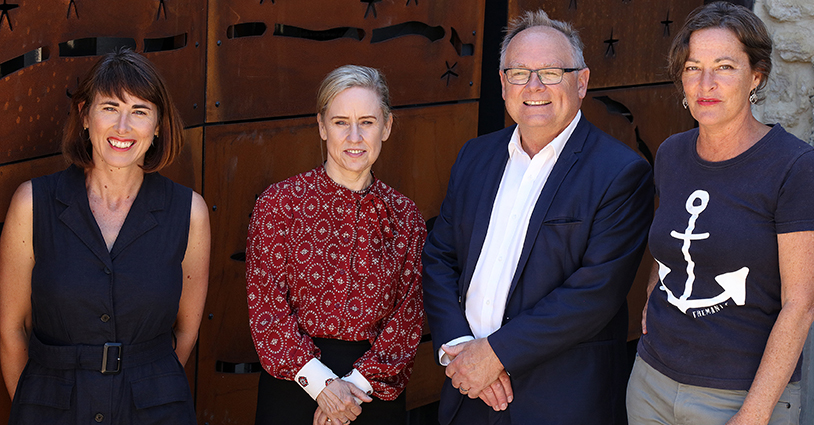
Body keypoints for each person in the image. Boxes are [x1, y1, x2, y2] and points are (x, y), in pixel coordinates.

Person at [421, 10, 654, 425]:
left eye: (549, 72)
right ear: (502, 83)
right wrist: (460, 349)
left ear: (581, 82)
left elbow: (593, 294)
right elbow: (439, 257)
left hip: (558, 402)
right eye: (519, 73)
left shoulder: (621, 172)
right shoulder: (474, 156)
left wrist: (494, 355)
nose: (533, 87)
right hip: (466, 390)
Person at [627, 3, 814, 425]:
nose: (706, 83)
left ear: (756, 76)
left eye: (724, 67)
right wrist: (654, 293)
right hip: (650, 384)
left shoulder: (796, 168)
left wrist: (753, 414)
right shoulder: (671, 154)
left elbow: (801, 307)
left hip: (738, 397)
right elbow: (671, 242)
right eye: (692, 67)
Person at [0, 48, 210, 423]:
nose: (123, 127)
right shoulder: (32, 204)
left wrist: (144, 385)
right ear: (84, 115)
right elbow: (12, 331)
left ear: (159, 125)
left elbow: (186, 331)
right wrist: (37, 406)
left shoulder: (189, 212)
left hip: (154, 411)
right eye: (110, 107)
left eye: (140, 111)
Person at [246, 65, 425, 425]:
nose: (354, 136)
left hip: (373, 394)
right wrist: (323, 387)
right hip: (294, 388)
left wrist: (350, 392)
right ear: (322, 127)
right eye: (341, 122)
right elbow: (267, 307)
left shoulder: (405, 216)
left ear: (386, 127)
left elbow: (407, 320)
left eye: (368, 122)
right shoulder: (280, 204)